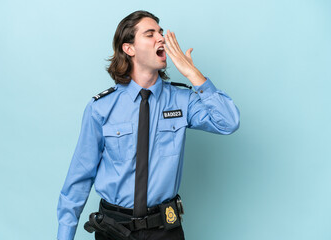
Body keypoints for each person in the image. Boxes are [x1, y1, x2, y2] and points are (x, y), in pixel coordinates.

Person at [57, 10, 240, 240]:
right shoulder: (101, 108)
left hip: (165, 229)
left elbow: (229, 122)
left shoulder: (183, 100)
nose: (161, 38)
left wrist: (193, 74)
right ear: (129, 48)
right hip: (114, 228)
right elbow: (79, 179)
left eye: (161, 32)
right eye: (150, 33)